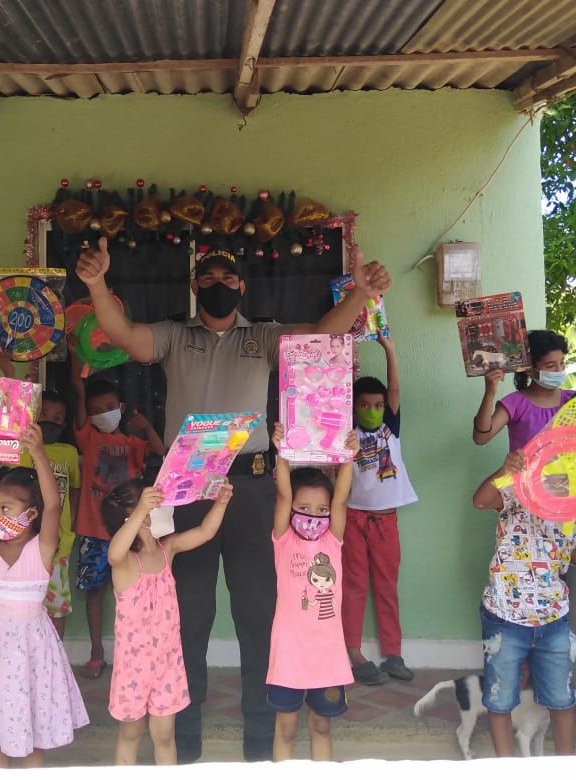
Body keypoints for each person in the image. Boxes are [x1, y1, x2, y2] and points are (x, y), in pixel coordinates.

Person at [76, 237, 391, 762]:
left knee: (257, 614)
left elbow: (319, 334)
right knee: (190, 617)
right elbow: (124, 335)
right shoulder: (176, 335)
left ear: (242, 286)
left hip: (253, 486)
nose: (217, 287)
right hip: (189, 487)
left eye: (227, 279)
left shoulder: (264, 336)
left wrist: (359, 294)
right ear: (194, 286)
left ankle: (261, 751)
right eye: (207, 279)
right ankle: (187, 747)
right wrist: (95, 285)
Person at [0, 423, 88, 767]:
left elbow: (54, 505)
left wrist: (38, 454)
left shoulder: (42, 550)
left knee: (31, 739)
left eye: (6, 509)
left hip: (31, 658)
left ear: (32, 513)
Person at [472, 449, 576, 757]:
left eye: (572, 478)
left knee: (561, 701)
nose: (561, 483)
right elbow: (480, 500)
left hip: (553, 622)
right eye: (556, 473)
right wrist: (503, 468)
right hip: (504, 617)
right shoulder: (514, 492)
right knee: (499, 701)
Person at [101, 478, 232, 765]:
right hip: (132, 669)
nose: (164, 507)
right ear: (139, 517)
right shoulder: (125, 563)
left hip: (168, 663)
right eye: (155, 504)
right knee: (131, 734)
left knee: (164, 735)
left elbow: (206, 532)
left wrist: (221, 502)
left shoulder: (166, 549)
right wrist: (138, 513)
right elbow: (113, 553)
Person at [267, 421, 357, 761]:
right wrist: (282, 453)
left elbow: (342, 497)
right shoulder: (282, 539)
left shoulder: (332, 540)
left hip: (327, 657)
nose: (314, 516)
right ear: (291, 510)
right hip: (288, 655)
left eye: (322, 510)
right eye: (305, 509)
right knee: (286, 729)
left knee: (321, 726)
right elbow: (284, 493)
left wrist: (347, 458)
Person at [72, 368, 164, 679]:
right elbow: (79, 393)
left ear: (120, 408)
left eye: (108, 408)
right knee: (95, 593)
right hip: (93, 532)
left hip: (130, 533)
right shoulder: (90, 439)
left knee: (137, 592)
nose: (101, 415)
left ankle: (137, 651)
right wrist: (76, 363)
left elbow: (161, 452)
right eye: (95, 411)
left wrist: (146, 426)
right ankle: (97, 651)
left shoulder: (132, 442)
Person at [343, 334, 418, 685]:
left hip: (386, 520)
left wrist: (389, 348)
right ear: (353, 406)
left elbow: (396, 392)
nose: (372, 410)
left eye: (377, 405)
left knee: (387, 586)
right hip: (352, 518)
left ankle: (393, 653)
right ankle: (354, 653)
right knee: (354, 586)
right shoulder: (345, 433)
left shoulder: (391, 427)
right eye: (364, 405)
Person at [0, 352, 82, 638]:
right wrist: (8, 370)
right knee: (22, 606)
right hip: (23, 541)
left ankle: (54, 657)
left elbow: (75, 490)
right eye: (44, 416)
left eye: (58, 419)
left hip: (59, 545)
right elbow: (13, 410)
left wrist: (73, 525)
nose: (51, 422)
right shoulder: (21, 447)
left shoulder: (68, 453)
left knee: (55, 608)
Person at [473, 330, 576, 450]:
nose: (559, 370)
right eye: (550, 366)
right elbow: (481, 438)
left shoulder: (574, 401)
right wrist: (489, 393)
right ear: (529, 369)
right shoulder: (515, 403)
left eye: (562, 362)